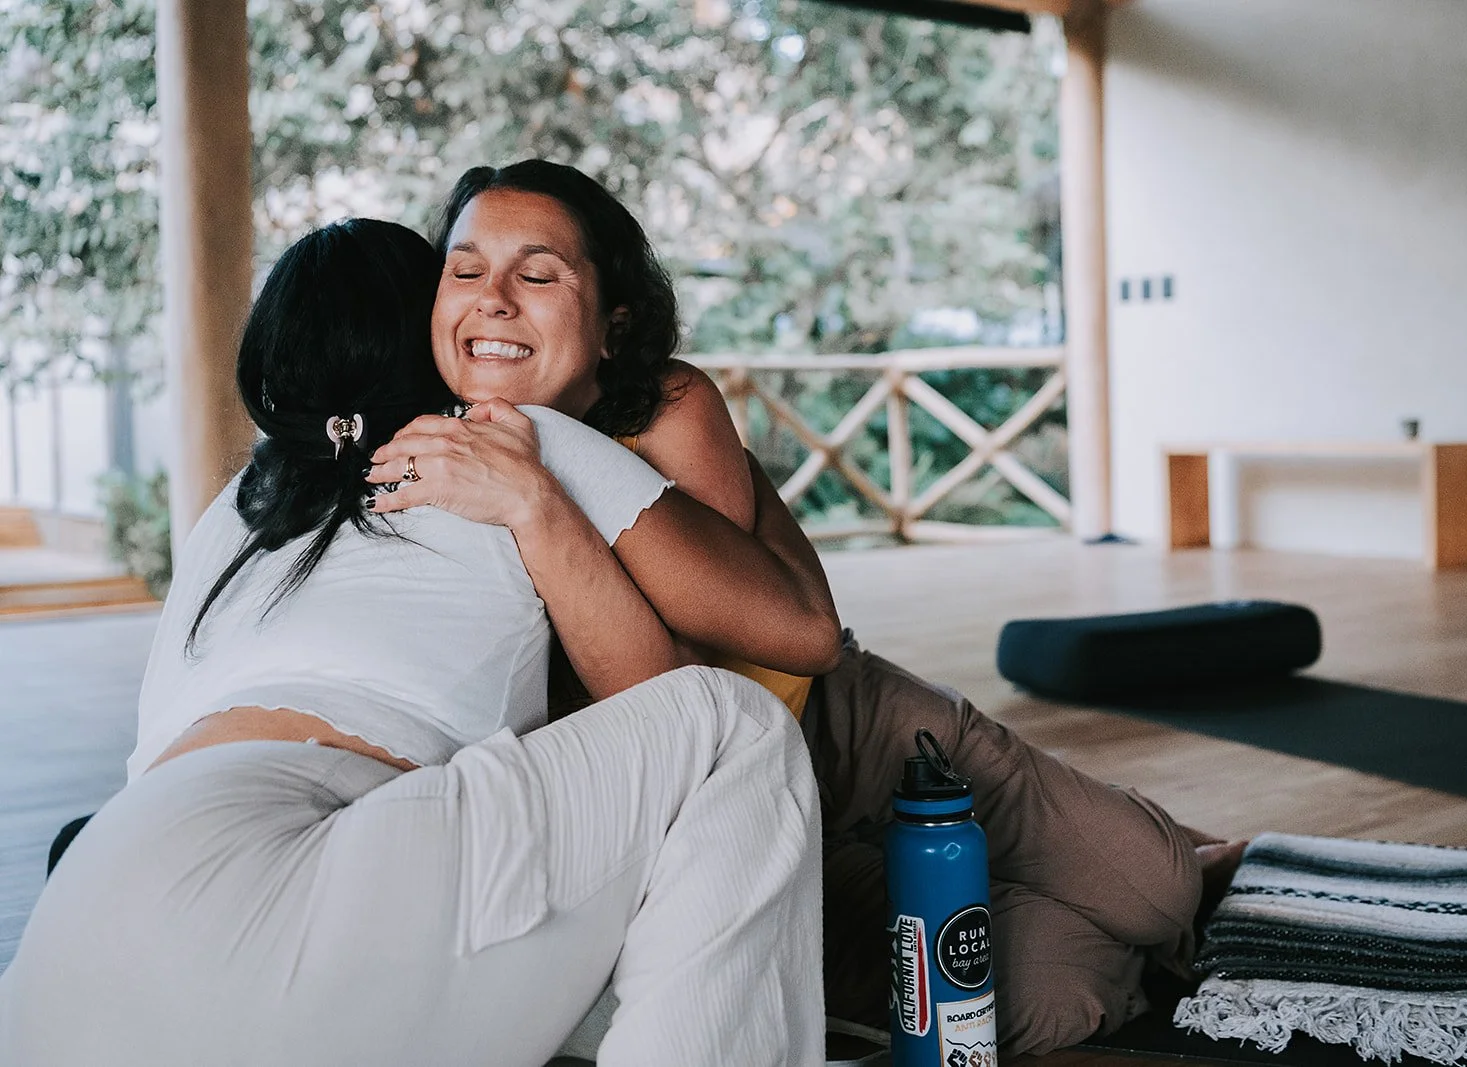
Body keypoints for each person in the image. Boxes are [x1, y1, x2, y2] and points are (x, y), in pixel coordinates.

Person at [376, 159, 1241, 1057]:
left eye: (538, 273)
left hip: (842, 717)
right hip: (729, 831)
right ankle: (1112, 922)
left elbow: (766, 640)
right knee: (1055, 987)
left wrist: (556, 483)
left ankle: (1165, 866)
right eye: (465, 270)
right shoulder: (429, 469)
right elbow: (678, 721)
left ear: (612, 321)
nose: (493, 298)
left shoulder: (668, 404)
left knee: (1159, 888)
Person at [0, 218, 826, 1067]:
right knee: (732, 726)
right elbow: (693, 677)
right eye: (458, 278)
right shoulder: (506, 436)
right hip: (294, 892)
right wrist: (552, 499)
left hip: (72, 939)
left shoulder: (241, 502)